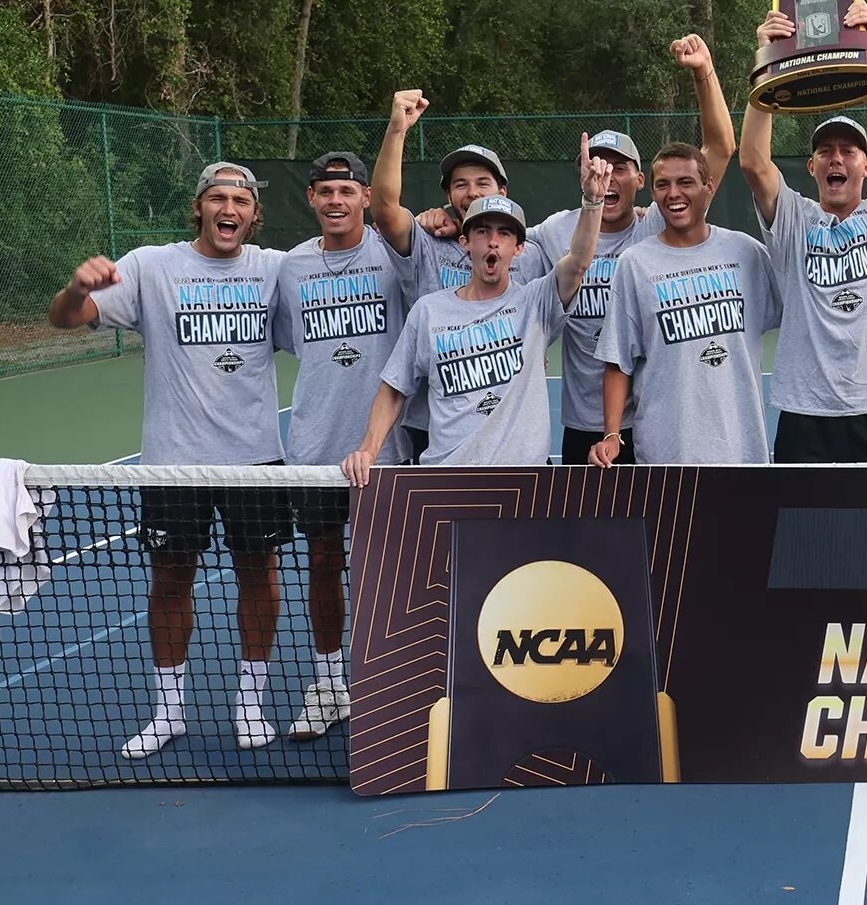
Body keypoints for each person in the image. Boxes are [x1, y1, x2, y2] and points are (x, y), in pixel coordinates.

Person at [48, 162, 289, 758]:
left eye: (240, 200)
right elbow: (65, 318)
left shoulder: (278, 269)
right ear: (200, 208)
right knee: (170, 579)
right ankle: (168, 711)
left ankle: (250, 703)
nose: (228, 208)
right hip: (172, 464)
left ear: (255, 215)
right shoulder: (151, 266)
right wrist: (78, 287)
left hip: (255, 459)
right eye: (217, 198)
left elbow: (356, 255)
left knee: (259, 575)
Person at [341, 137, 607, 482]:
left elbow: (579, 260)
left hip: (528, 481)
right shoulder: (429, 311)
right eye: (482, 232)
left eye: (504, 234)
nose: (493, 241)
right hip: (447, 480)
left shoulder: (535, 301)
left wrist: (592, 201)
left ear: (520, 247)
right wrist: (368, 449)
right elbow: (394, 389)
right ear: (465, 242)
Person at [738, 0, 867, 463]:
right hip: (806, 412)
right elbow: (752, 161)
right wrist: (765, 63)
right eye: (826, 151)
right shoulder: (794, 220)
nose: (837, 158)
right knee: (800, 534)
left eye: (848, 150)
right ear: (812, 166)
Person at [534, 36, 736, 466]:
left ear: (640, 180)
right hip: (583, 423)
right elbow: (495, 232)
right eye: (596, 166)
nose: (606, 176)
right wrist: (445, 216)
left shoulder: (657, 224)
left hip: (648, 419)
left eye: (618, 167)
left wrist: (703, 71)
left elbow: (718, 149)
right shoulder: (555, 232)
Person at [270, 151, 414, 741]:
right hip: (315, 449)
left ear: (363, 198)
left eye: (347, 191)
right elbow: (286, 338)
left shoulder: (397, 251)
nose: (336, 201)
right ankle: (331, 683)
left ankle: (397, 682)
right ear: (312, 200)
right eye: (325, 191)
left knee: (393, 572)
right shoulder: (290, 267)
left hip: (389, 449)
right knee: (325, 565)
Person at [365, 91, 548, 461]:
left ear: (502, 191)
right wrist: (397, 129)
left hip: (507, 428)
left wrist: (638, 215)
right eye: (460, 184)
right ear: (449, 195)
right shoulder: (426, 243)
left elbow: (580, 252)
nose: (471, 192)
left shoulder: (530, 252)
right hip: (433, 425)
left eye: (482, 182)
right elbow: (384, 209)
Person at [591, 142, 779, 466]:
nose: (673, 193)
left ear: (708, 188)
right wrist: (611, 434)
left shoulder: (747, 253)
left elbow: (799, 316)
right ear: (652, 193)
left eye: (685, 182)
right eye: (663, 184)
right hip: (666, 455)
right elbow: (617, 361)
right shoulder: (635, 263)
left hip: (742, 451)